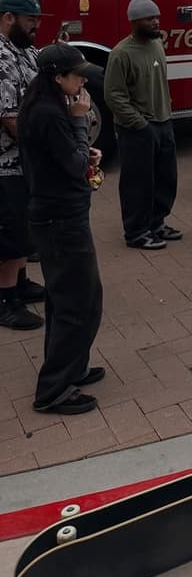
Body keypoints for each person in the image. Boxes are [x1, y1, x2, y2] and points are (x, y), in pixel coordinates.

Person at [18, 45, 105, 415]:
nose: (83, 80)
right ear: (57, 78)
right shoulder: (53, 114)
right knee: (78, 302)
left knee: (66, 297)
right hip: (61, 219)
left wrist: (83, 148)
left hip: (56, 215)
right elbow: (72, 164)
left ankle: (73, 367)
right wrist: (80, 123)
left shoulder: (43, 108)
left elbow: (69, 157)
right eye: (77, 75)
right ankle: (53, 389)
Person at [104, 0, 180, 251]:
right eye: (150, 18)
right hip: (137, 129)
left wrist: (167, 112)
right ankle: (136, 231)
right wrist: (139, 123)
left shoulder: (157, 45)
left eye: (157, 17)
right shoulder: (121, 53)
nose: (156, 22)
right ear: (135, 21)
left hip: (164, 123)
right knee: (138, 182)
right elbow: (113, 95)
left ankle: (156, 223)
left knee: (165, 178)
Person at [0, 0, 46, 330]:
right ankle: (5, 302)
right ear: (8, 18)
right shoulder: (0, 58)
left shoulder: (27, 53)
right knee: (11, 232)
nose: (36, 26)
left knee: (24, 227)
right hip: (7, 162)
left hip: (27, 160)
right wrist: (49, 145)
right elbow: (11, 118)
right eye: (30, 20)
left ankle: (20, 282)